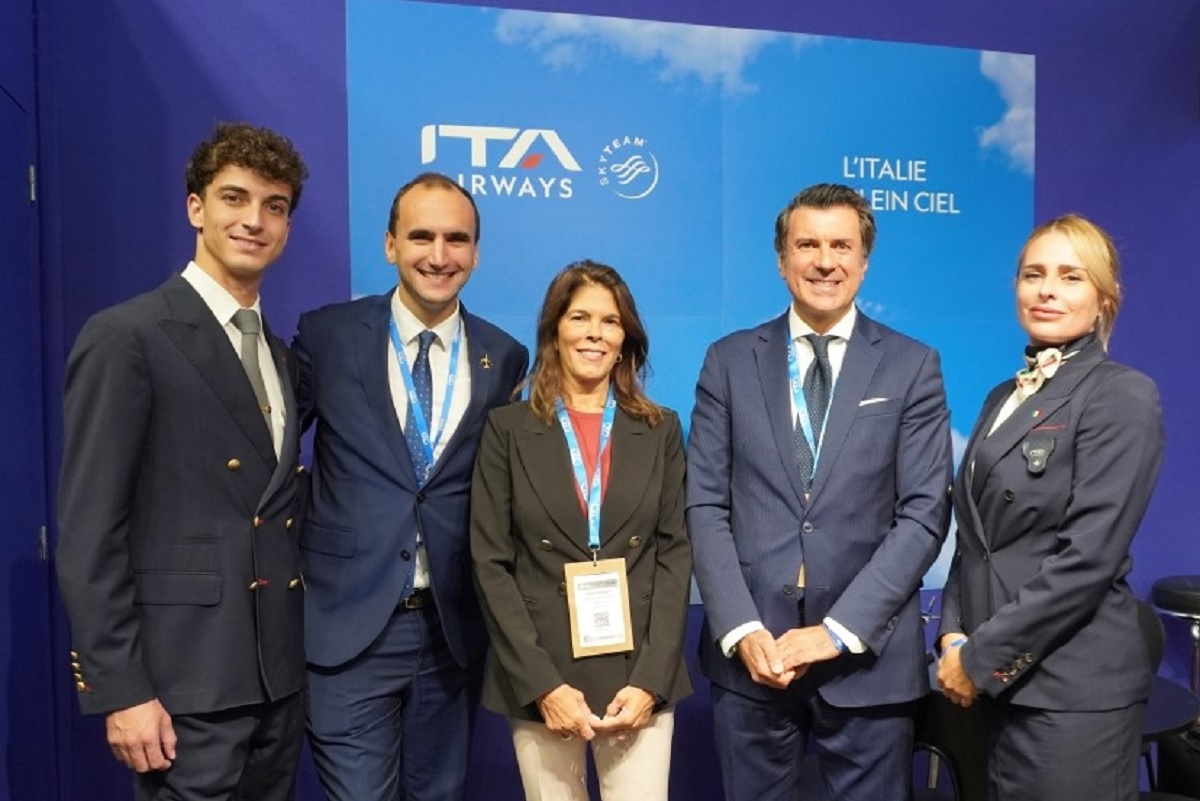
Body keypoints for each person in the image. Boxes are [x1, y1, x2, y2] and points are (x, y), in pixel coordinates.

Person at [56, 122, 310, 800]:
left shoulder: (280, 355)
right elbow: (88, 532)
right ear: (196, 207)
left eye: (275, 205)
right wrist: (122, 688)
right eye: (235, 197)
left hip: (276, 683)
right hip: (182, 687)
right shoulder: (127, 336)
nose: (254, 220)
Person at [686, 182, 953, 801]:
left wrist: (837, 631)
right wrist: (739, 628)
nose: (824, 261)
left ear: (863, 261)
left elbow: (922, 515)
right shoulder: (728, 361)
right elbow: (704, 503)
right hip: (752, 662)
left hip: (868, 662)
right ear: (782, 261)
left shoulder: (912, 365)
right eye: (807, 244)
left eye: (842, 245)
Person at [293, 172, 528, 801]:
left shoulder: (504, 356)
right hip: (347, 626)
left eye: (457, 239)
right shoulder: (328, 335)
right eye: (420, 236)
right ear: (390, 244)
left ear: (476, 253)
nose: (439, 255)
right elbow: (268, 454)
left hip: (450, 632)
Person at [937, 214, 1164, 801]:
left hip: (1071, 692)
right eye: (1033, 274)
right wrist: (954, 636)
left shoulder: (1121, 394)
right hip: (996, 684)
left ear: (1104, 299)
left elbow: (1087, 559)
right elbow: (974, 539)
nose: (1047, 290)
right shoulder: (1001, 398)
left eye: (1070, 277)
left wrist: (981, 657)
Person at [470, 260, 692, 801]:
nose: (595, 332)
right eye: (580, 317)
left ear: (626, 339)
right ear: (554, 332)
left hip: (636, 674)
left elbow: (675, 555)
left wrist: (650, 681)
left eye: (610, 321)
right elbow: (490, 561)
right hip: (542, 674)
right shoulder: (506, 428)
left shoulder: (660, 428)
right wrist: (542, 684)